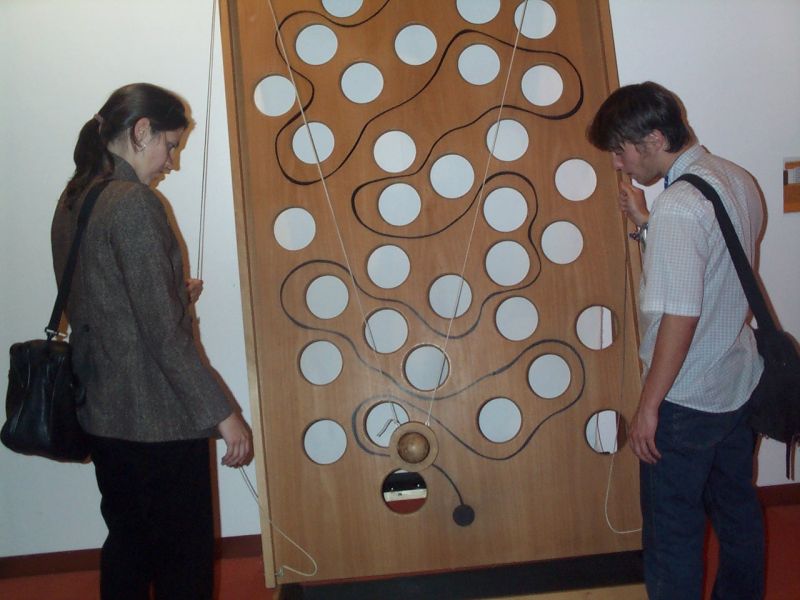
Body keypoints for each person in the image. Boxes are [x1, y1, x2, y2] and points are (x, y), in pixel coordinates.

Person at [51, 83, 253, 600]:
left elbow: (96, 302)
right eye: (170, 145)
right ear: (141, 131)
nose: (172, 162)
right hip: (158, 421)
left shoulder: (73, 200)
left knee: (129, 549)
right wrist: (223, 413)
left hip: (104, 413)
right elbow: (163, 336)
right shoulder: (135, 204)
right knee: (184, 563)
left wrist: (171, 293)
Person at [587, 82, 765, 599]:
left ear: (655, 140)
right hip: (736, 381)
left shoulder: (680, 208)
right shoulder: (736, 179)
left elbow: (680, 318)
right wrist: (647, 225)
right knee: (737, 513)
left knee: (673, 535)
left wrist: (649, 408)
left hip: (685, 400)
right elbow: (712, 266)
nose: (617, 163)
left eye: (620, 150)